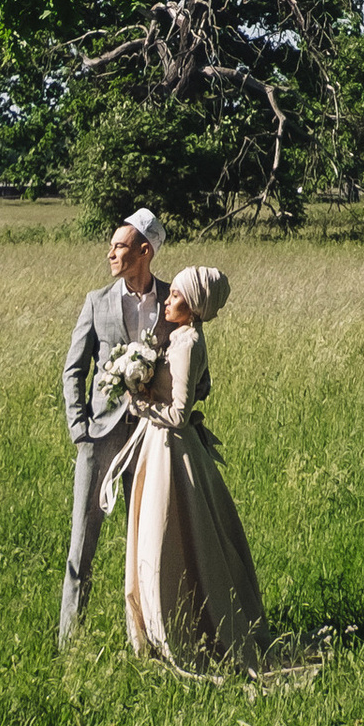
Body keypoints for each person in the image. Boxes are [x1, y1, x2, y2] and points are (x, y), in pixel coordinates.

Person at [122, 261, 271, 675]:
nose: (167, 300)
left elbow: (179, 414)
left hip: (173, 450)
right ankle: (161, 628)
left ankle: (178, 631)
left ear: (195, 305)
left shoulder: (187, 343)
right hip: (161, 447)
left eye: (176, 296)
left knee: (171, 539)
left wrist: (139, 402)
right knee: (165, 539)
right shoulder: (183, 337)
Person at [58, 209, 166, 645]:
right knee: (81, 543)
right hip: (100, 436)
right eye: (111, 246)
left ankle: (147, 638)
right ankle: (69, 641)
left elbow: (196, 372)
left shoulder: (173, 300)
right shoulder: (96, 301)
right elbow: (73, 368)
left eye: (119, 246)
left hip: (151, 437)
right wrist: (79, 427)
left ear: (145, 251)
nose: (110, 254)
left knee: (146, 542)